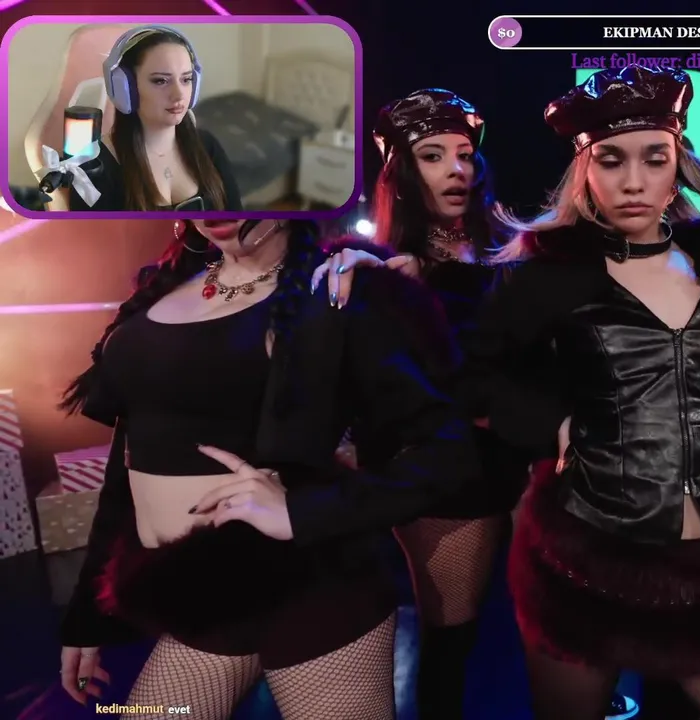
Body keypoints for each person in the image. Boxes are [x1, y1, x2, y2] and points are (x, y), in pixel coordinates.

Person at [462, 64, 700, 720]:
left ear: (678, 166)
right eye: (611, 160)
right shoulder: (545, 274)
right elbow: (477, 379)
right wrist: (550, 423)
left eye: (653, 159)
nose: (633, 181)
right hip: (582, 567)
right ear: (586, 171)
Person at [57, 218, 481, 719]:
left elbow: (449, 450)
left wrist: (302, 512)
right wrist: (88, 614)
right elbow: (125, 465)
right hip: (199, 596)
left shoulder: (335, 287)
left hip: (311, 586)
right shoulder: (164, 288)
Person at [313, 88, 639, 720]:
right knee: (452, 640)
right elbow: (386, 390)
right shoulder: (377, 265)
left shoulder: (514, 248)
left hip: (536, 456)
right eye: (434, 156)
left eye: (464, 154)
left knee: (563, 615)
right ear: (401, 170)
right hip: (449, 472)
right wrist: (404, 295)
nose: (456, 169)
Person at [65, 26, 241, 211]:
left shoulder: (207, 145)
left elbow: (238, 220)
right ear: (126, 87)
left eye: (186, 79)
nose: (179, 95)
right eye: (160, 81)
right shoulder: (94, 167)